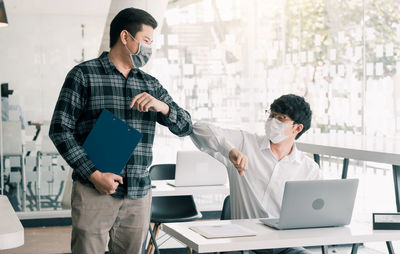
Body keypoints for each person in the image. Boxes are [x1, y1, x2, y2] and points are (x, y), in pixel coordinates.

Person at [49, 8, 192, 254]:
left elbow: (185, 126)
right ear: (125, 37)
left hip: (138, 194)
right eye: (146, 41)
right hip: (93, 190)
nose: (149, 48)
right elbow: (60, 130)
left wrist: (163, 107)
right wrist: (94, 174)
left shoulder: (151, 84)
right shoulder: (83, 75)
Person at [190, 94, 321, 254]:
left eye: (280, 118)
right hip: (243, 244)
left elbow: (318, 212)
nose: (272, 121)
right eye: (271, 115)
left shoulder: (309, 169)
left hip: (285, 245)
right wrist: (229, 150)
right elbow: (198, 128)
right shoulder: (245, 143)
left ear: (297, 128)